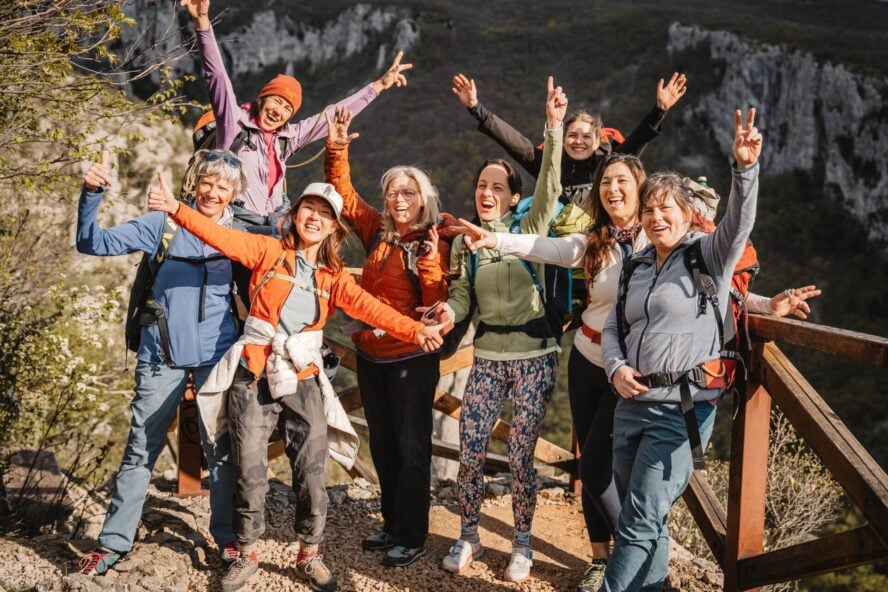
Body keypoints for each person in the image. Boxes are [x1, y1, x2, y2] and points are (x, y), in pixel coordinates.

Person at [456, 154, 820, 591]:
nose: (613, 190)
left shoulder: (674, 245)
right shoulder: (606, 246)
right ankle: (614, 562)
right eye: (605, 182)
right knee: (599, 473)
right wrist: (496, 239)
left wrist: (765, 303)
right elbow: (550, 251)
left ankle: (626, 558)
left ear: (650, 194)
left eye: (623, 182)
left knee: (618, 491)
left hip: (658, 390)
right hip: (598, 364)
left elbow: (720, 276)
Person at [147, 175, 447, 592]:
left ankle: (309, 553)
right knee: (250, 466)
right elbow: (220, 237)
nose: (315, 217)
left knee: (311, 467)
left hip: (303, 376)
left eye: (325, 214)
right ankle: (247, 552)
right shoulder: (268, 251)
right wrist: (176, 209)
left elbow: (372, 309)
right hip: (255, 371)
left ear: (334, 227)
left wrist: (416, 331)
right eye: (309, 208)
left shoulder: (333, 277)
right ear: (295, 214)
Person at [597, 107, 762, 591]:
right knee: (647, 518)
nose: (656, 217)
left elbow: (738, 224)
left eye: (666, 208)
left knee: (637, 521)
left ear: (687, 214)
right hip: (631, 405)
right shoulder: (636, 265)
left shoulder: (708, 256)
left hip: (681, 411)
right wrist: (615, 368)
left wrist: (745, 169)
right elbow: (614, 328)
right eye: (649, 210)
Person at [75, 150, 242, 577]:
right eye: (207, 182)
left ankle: (228, 540)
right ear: (194, 184)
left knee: (221, 451)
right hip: (160, 356)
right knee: (140, 450)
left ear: (234, 194)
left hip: (216, 359)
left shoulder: (238, 234)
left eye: (223, 186)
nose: (213, 192)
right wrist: (91, 193)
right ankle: (112, 544)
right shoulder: (162, 224)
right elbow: (93, 243)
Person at [438, 77, 566, 583]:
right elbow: (461, 296)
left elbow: (549, 187)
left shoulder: (529, 229)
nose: (486, 193)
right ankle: (469, 535)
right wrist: (447, 314)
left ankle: (523, 544)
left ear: (514, 198)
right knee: (471, 448)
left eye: (497, 187)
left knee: (519, 456)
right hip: (488, 355)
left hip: (535, 355)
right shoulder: (464, 242)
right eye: (481, 186)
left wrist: (553, 129)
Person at [323, 107, 450, 567]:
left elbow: (435, 306)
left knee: (412, 446)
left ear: (423, 198)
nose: (399, 199)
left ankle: (412, 535)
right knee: (383, 443)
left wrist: (431, 262)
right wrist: (337, 147)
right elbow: (343, 195)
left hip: (412, 356)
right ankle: (393, 524)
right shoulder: (376, 228)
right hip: (372, 354)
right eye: (393, 192)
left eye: (408, 192)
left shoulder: (431, 241)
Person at [181, 0, 413, 218]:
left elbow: (333, 115)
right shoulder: (234, 123)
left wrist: (378, 86)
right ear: (262, 100)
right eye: (276, 101)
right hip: (237, 220)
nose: (278, 111)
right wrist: (202, 23)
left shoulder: (288, 138)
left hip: (273, 222)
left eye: (287, 108)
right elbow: (217, 78)